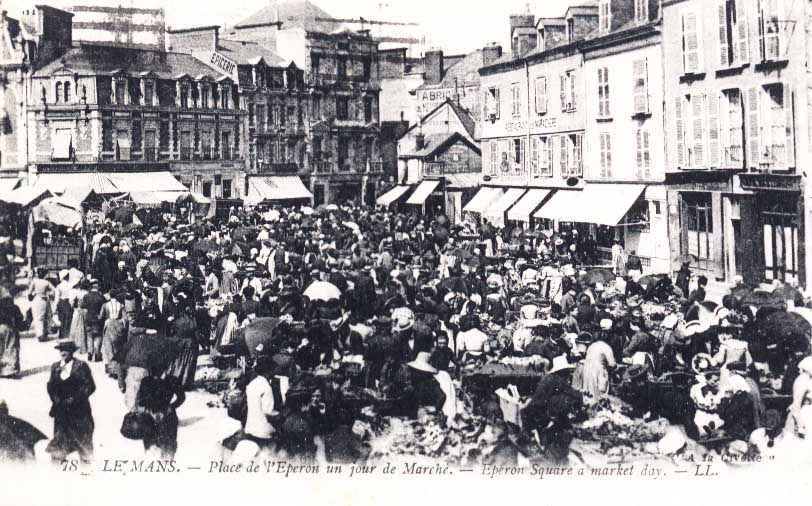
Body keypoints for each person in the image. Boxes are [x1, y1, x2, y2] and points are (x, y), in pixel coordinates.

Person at [45, 340, 96, 464]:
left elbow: (90, 386)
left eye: (66, 350)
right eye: (61, 350)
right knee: (59, 445)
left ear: (72, 352)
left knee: (83, 444)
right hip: (61, 413)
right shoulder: (55, 366)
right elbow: (50, 385)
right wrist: (55, 397)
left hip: (79, 412)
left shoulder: (81, 366)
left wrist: (75, 399)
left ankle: (87, 473)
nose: (63, 353)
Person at [135, 367, 186, 459]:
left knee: (168, 451)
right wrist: (147, 410)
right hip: (150, 419)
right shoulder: (146, 381)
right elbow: (140, 400)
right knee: (151, 451)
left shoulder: (172, 380)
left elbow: (181, 397)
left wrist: (171, 406)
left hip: (167, 418)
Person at [581, 328, 617, 401]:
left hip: (587, 370)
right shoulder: (607, 348)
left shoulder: (592, 346)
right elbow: (612, 364)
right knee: (600, 395)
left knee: (588, 393)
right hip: (599, 372)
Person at [82, 280, 107, 362]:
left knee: (89, 336)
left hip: (89, 318)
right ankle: (97, 353)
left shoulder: (86, 296)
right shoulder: (101, 297)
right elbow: (104, 309)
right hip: (98, 319)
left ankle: (90, 352)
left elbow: (84, 310)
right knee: (98, 336)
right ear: (97, 286)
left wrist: (85, 319)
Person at [0, 294, 24, 378]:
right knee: (11, 348)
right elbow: (19, 320)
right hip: (9, 328)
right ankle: (10, 370)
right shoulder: (14, 308)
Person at [28, 267, 54, 342]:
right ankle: (45, 333)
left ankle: (40, 334)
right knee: (45, 317)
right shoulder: (46, 282)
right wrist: (49, 295)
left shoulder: (34, 281)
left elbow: (29, 293)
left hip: (37, 299)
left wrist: (32, 296)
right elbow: (54, 290)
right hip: (45, 300)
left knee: (37, 317)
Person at [55, 269, 74, 340]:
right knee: (69, 318)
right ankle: (68, 334)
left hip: (62, 303)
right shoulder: (71, 285)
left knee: (61, 319)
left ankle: (62, 335)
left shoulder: (59, 286)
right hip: (69, 303)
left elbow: (56, 299)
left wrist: (55, 308)